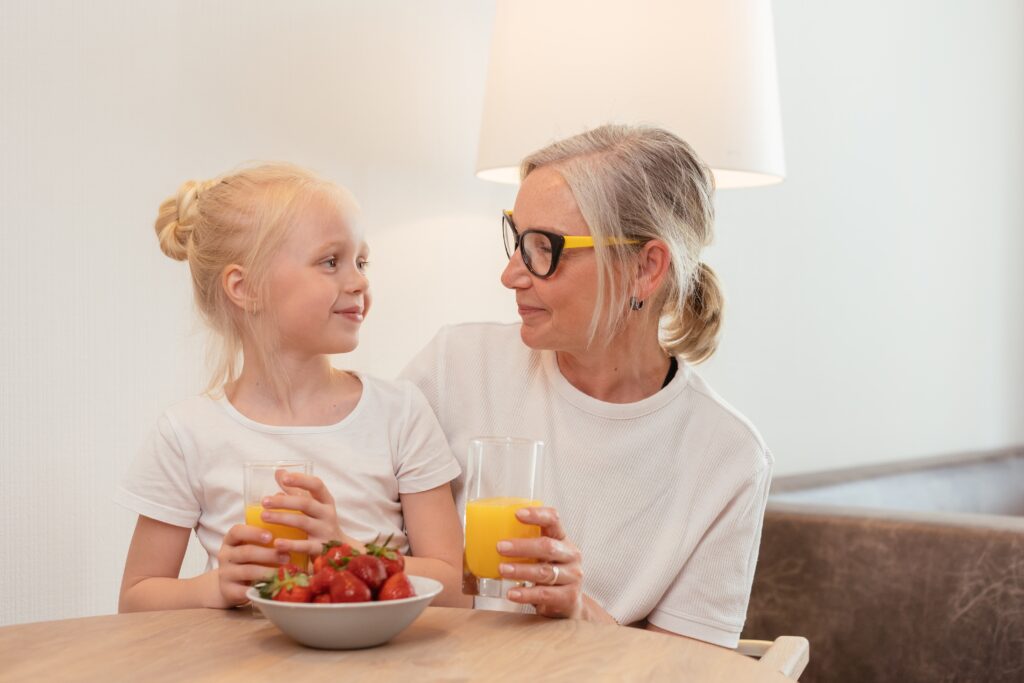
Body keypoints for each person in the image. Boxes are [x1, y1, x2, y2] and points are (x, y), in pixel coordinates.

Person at [401, 124, 772, 647]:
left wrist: (580, 614)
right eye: (516, 238)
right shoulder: (454, 367)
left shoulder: (727, 457)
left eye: (543, 248)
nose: (512, 274)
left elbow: (687, 671)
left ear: (645, 269)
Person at [116, 163, 468, 611]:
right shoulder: (188, 433)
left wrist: (342, 547)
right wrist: (215, 587)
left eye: (361, 261)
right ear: (246, 288)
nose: (360, 280)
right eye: (330, 261)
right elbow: (135, 598)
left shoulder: (400, 412)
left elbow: (457, 591)